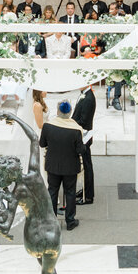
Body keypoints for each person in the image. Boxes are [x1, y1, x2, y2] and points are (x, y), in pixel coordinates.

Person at [39, 101, 86, 231]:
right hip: (70, 167)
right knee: (70, 193)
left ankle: (52, 221)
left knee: (52, 192)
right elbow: (80, 150)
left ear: (58, 111)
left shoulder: (48, 126)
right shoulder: (76, 130)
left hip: (53, 165)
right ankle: (70, 221)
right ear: (70, 113)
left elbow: (42, 144)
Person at [72, 84, 97, 205]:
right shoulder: (85, 95)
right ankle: (85, 190)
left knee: (87, 166)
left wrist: (71, 123)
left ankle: (88, 196)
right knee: (86, 165)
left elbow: (84, 121)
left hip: (85, 137)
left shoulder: (88, 98)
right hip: (83, 135)